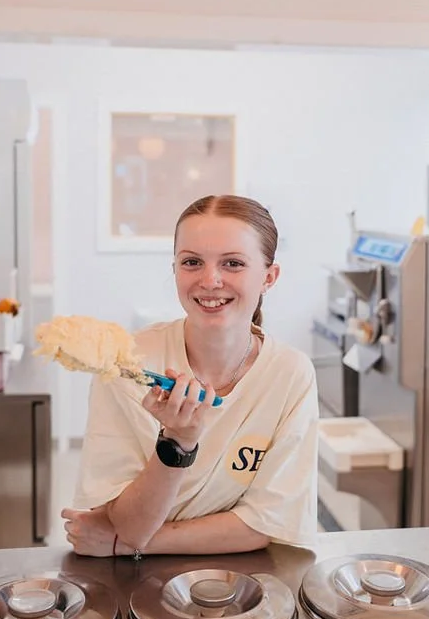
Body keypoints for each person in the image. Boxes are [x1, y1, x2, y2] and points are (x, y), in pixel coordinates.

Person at [60, 195, 320, 557]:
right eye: (192, 262)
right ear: (175, 269)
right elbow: (127, 522)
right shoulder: (127, 364)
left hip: (247, 582)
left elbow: (267, 523)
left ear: (268, 277)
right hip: (129, 584)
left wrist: (128, 544)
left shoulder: (289, 374)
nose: (210, 281)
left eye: (233, 263)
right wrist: (176, 445)